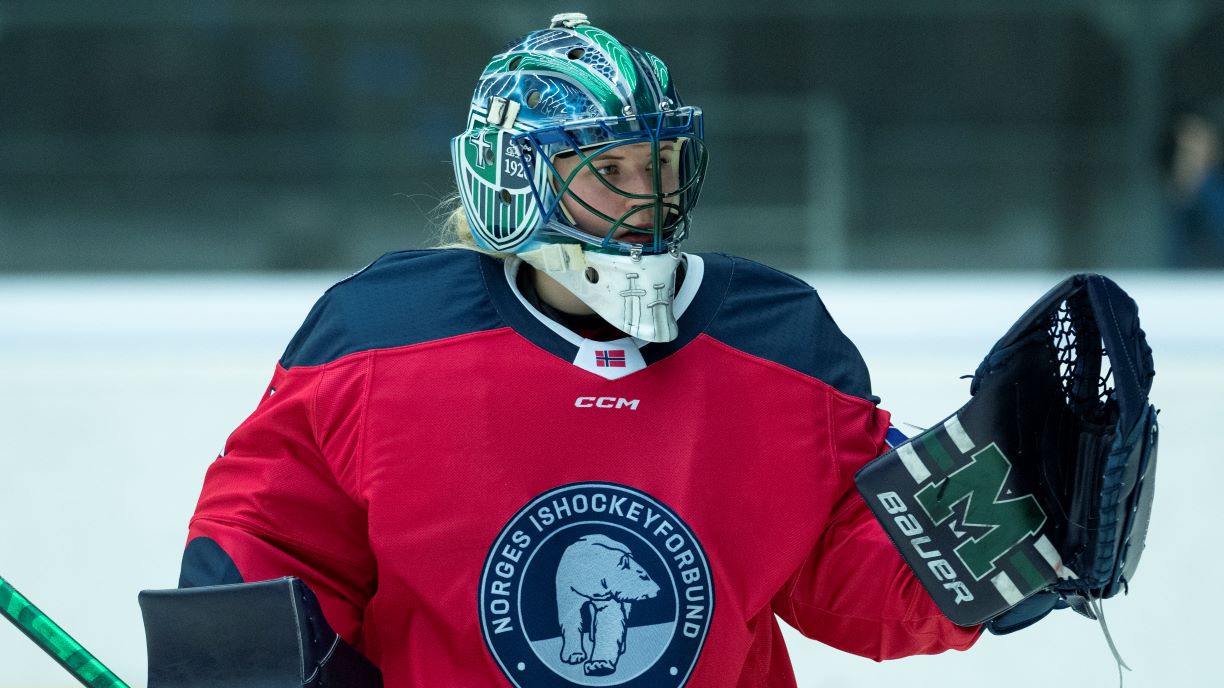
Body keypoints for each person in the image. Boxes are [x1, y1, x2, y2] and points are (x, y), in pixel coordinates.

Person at [178, 13, 981, 686]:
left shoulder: (779, 341)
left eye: (659, 162)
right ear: (512, 180)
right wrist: (237, 667)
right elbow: (273, 547)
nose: (648, 198)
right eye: (607, 169)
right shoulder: (378, 341)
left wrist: (997, 539)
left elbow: (860, 571)